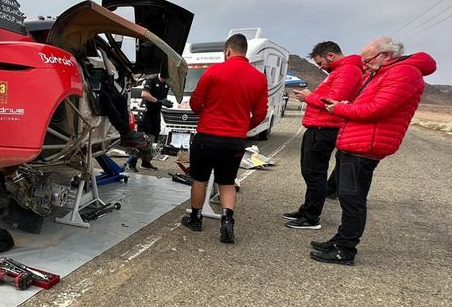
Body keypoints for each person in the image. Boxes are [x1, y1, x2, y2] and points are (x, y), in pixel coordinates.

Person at [310, 37, 435, 265]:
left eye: (367, 60)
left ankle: (345, 249)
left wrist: (341, 108)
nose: (364, 65)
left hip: (365, 146)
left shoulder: (403, 73)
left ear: (385, 55)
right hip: (358, 143)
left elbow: (377, 109)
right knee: (349, 196)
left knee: (352, 199)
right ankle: (341, 240)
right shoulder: (385, 72)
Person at [181, 33, 267, 243]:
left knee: (200, 179)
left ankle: (196, 218)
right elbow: (261, 113)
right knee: (227, 182)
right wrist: (244, 127)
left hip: (207, 136)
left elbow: (195, 104)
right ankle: (227, 219)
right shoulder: (259, 78)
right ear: (244, 51)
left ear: (228, 51)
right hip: (234, 140)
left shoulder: (214, 71)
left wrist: (204, 111)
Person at [283, 42, 363, 229]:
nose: (319, 67)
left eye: (320, 62)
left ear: (330, 55)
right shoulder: (341, 71)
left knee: (314, 173)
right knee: (310, 171)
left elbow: (333, 102)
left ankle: (311, 217)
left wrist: (309, 97)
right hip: (319, 127)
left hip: (324, 128)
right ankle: (307, 209)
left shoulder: (348, 71)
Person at [127, 72, 173, 171]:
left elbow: (162, 97)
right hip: (146, 113)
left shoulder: (166, 84)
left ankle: (146, 162)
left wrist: (166, 102)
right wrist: (159, 101)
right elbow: (144, 94)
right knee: (142, 139)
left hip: (155, 114)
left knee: (152, 139)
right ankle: (132, 162)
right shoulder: (151, 80)